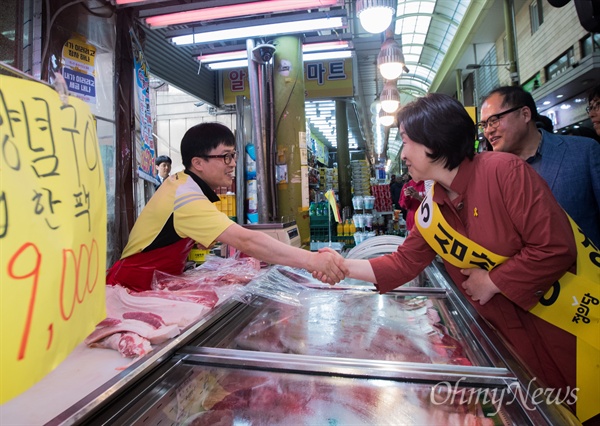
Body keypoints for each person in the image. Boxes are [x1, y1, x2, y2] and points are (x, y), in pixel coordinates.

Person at [317, 93, 598, 423]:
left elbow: (554, 247)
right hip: (509, 343)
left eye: (406, 142)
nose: (403, 155)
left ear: (434, 140)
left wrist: (493, 281)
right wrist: (340, 265)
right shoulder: (432, 206)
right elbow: (403, 263)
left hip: (567, 327)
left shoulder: (503, 170)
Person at [107, 122, 347, 292]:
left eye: (233, 156)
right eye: (225, 157)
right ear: (197, 163)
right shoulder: (186, 196)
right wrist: (312, 261)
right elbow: (247, 241)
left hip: (156, 284)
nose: (232, 164)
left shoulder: (184, 183)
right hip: (132, 288)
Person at [480, 85, 600, 247]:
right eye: (484, 125)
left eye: (494, 121)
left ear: (525, 114)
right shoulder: (491, 174)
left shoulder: (584, 151)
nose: (488, 131)